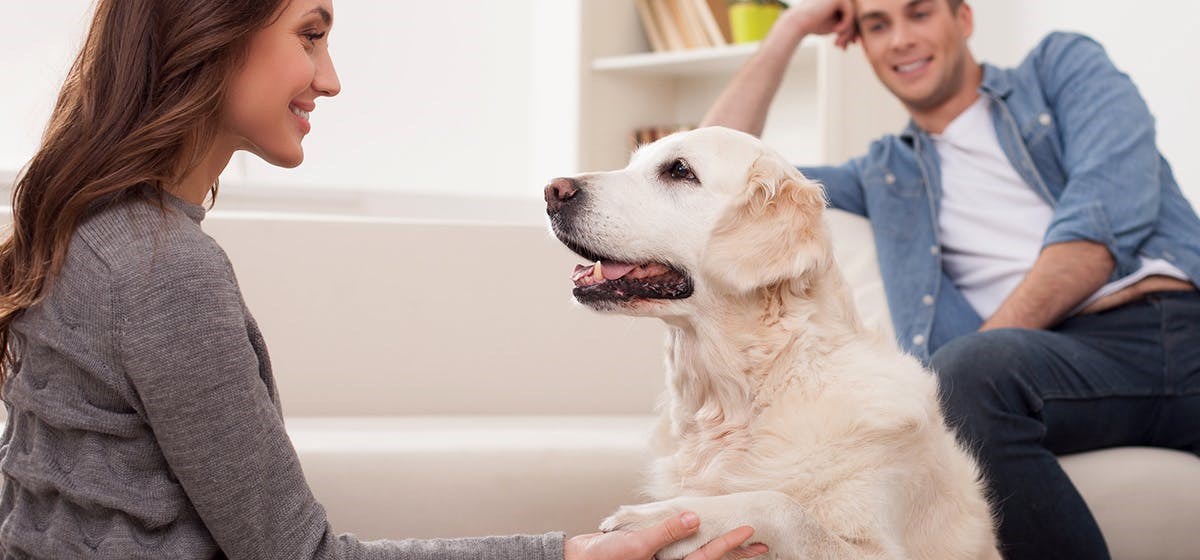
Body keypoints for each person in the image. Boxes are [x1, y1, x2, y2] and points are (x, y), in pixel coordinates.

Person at [0, 1, 772, 559]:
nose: (328, 80)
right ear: (213, 27)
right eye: (311, 35)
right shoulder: (163, 270)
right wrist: (567, 557)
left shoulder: (86, 230)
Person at [701, 0, 1200, 558]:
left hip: (1171, 327)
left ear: (962, 20)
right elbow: (712, 176)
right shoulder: (884, 176)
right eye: (877, 25)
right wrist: (790, 28)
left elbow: (1094, 239)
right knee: (958, 381)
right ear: (861, 47)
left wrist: (963, 369)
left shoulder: (1062, 68)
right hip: (1053, 367)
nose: (900, 40)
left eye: (919, 14)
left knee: (959, 375)